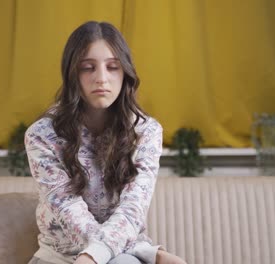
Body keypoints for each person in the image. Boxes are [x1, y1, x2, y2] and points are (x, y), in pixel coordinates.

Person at [25, 21, 186, 264]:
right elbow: (68, 210)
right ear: (72, 74)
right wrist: (145, 252)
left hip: (122, 255)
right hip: (59, 257)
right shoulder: (42, 135)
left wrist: (97, 255)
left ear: (126, 73)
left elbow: (134, 208)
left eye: (112, 67)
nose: (101, 78)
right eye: (88, 68)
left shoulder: (146, 131)